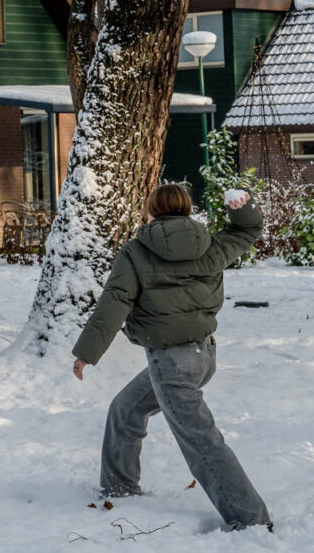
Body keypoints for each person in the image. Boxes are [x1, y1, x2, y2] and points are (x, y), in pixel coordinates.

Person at [71, 183, 272, 531]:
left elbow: (114, 301)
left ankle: (250, 519)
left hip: (170, 366)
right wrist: (242, 207)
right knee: (126, 409)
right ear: (186, 210)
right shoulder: (209, 244)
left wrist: (87, 352)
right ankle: (118, 489)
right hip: (203, 356)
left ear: (150, 212)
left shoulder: (136, 252)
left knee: (202, 443)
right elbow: (248, 228)